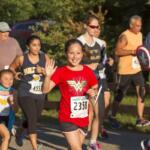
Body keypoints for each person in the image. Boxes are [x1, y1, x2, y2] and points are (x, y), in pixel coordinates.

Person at [42, 39, 99, 150]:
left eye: (78, 53)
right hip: (67, 117)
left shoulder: (87, 71)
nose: (74, 56)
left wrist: (93, 92)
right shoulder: (61, 71)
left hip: (83, 118)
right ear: (66, 54)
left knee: (73, 147)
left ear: (82, 54)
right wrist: (47, 76)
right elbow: (45, 90)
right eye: (71, 53)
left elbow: (95, 88)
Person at [10, 35, 50, 150]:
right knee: (32, 119)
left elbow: (51, 72)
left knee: (34, 118)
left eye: (39, 45)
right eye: (34, 45)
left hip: (39, 93)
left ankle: (19, 131)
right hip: (25, 92)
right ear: (28, 46)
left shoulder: (45, 57)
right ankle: (34, 147)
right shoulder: (21, 58)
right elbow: (12, 68)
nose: (37, 48)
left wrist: (43, 71)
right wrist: (15, 73)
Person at [109, 15, 150, 128]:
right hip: (125, 71)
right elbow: (117, 51)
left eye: (140, 25)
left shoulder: (140, 34)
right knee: (120, 96)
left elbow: (140, 51)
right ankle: (112, 117)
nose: (139, 28)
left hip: (137, 70)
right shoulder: (124, 36)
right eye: (137, 26)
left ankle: (139, 118)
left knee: (142, 93)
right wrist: (132, 51)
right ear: (131, 25)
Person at [77, 14, 109, 149]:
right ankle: (76, 141)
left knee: (99, 112)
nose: (95, 29)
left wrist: (107, 62)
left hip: (99, 80)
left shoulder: (101, 43)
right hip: (83, 81)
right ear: (85, 25)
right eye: (92, 26)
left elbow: (103, 61)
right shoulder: (78, 42)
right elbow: (73, 62)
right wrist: (88, 67)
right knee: (84, 114)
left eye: (97, 26)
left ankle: (93, 141)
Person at [0, 69, 17, 150]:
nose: (9, 81)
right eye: (5, 79)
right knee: (6, 136)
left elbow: (16, 110)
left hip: (8, 119)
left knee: (6, 139)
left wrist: (12, 102)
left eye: (11, 79)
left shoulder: (14, 92)